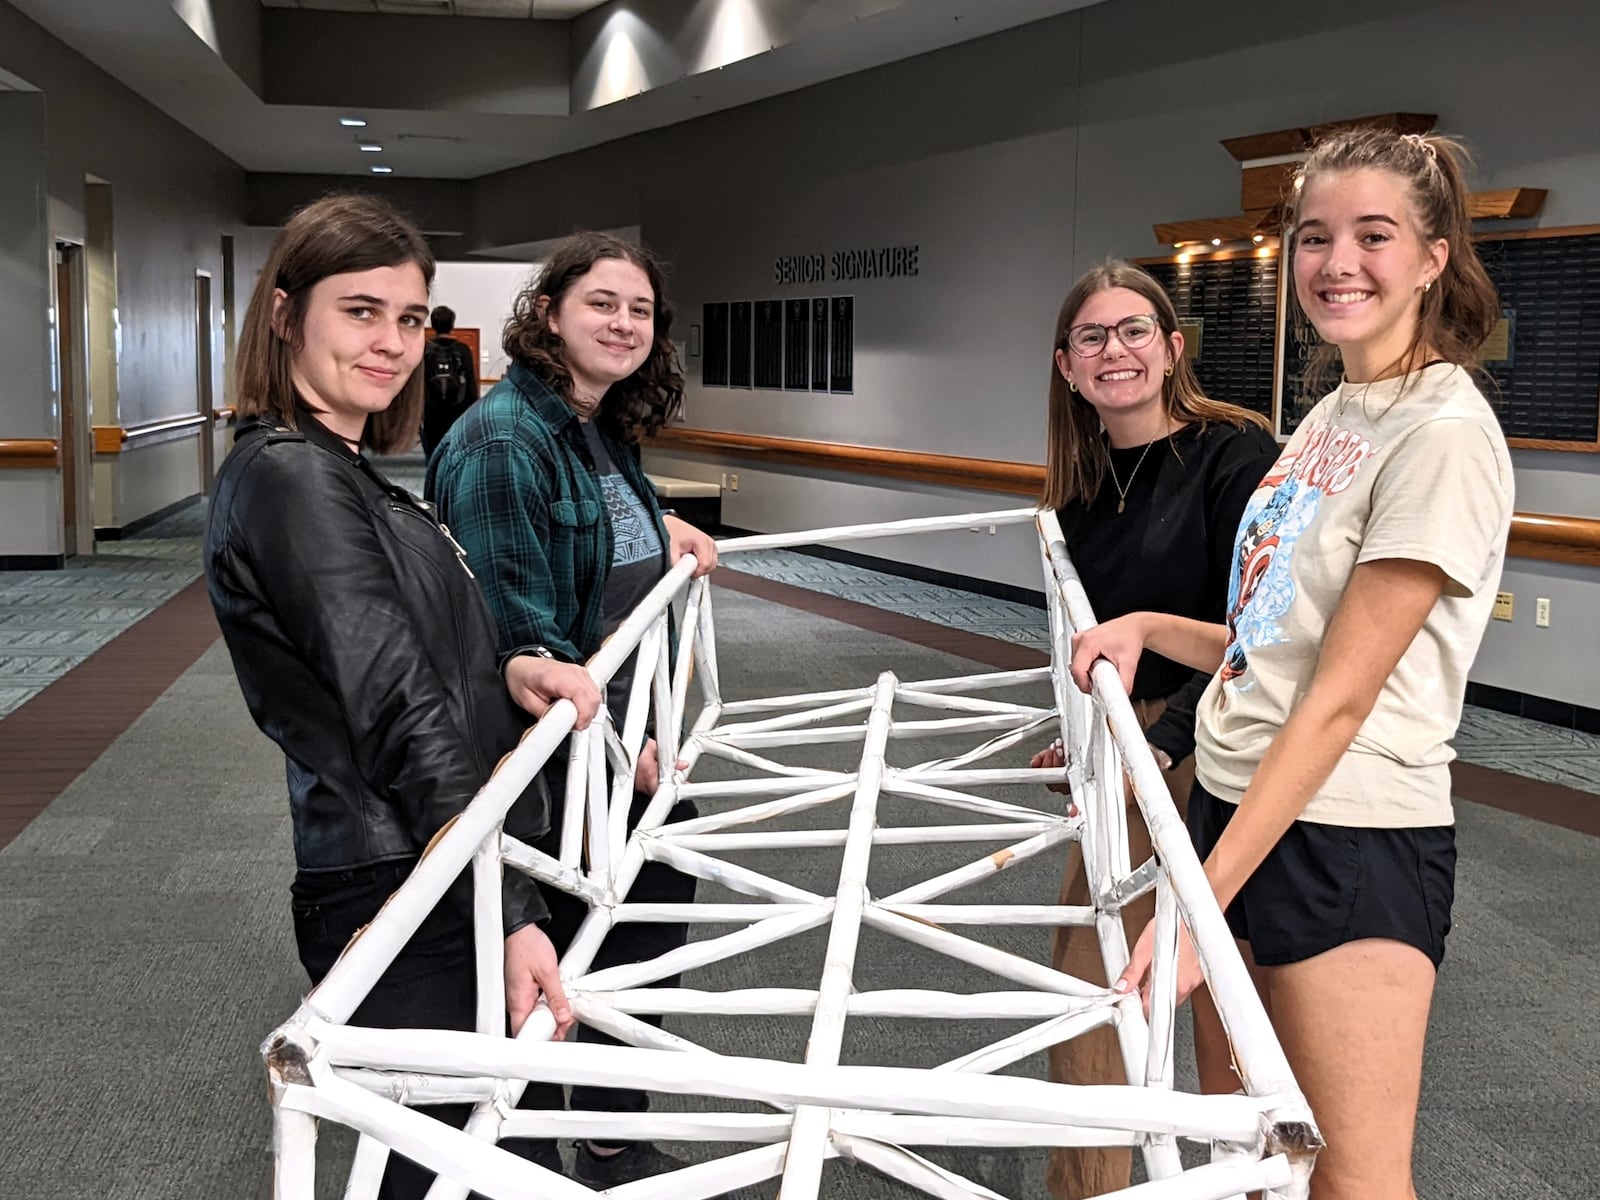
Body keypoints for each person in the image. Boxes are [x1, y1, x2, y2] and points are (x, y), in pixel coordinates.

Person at [1071, 129, 1512, 1200]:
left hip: (1344, 834)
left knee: (1349, 1177)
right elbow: (1278, 642)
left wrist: (1194, 903)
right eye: (1315, 237)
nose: (1336, 263)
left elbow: (1343, 693)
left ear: (1433, 255)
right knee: (1247, 1156)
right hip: (1234, 798)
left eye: (1373, 235)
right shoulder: (1330, 414)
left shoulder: (1443, 431)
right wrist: (1153, 629)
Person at [205, 194, 598, 1199]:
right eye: (361, 311)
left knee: (466, 1159)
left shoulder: (339, 469)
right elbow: (391, 705)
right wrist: (506, 908)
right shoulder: (293, 476)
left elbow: (408, 654)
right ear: (286, 313)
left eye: (412, 318)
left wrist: (506, 670)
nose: (392, 343)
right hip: (400, 878)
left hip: (420, 859)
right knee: (455, 1170)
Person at [428, 230, 718, 1188]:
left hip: (621, 754)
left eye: (640, 310)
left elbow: (595, 551)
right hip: (564, 776)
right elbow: (520, 647)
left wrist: (657, 522)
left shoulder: (594, 424)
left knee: (628, 956)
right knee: (562, 965)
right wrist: (614, 754)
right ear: (549, 312)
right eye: (602, 303)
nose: (624, 323)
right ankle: (537, 1160)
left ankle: (603, 1136)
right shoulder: (508, 441)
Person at [1027, 260, 1279, 1199]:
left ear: (1174, 347)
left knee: (1227, 988)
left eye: (1135, 331)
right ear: (1066, 365)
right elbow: (1091, 642)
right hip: (1122, 750)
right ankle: (1087, 1188)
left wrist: (1163, 739)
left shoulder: (1234, 456)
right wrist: (1081, 733)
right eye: (1092, 337)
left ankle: (1242, 1183)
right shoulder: (1079, 487)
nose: (1115, 351)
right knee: (1096, 981)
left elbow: (1264, 640)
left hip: (1221, 742)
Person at [421, 304, 479, 458]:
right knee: (456, 452)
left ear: (433, 324)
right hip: (458, 411)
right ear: (452, 324)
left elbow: (419, 383)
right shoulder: (463, 350)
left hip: (431, 412)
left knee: (433, 455)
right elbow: (471, 384)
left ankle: (433, 480)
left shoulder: (424, 350)